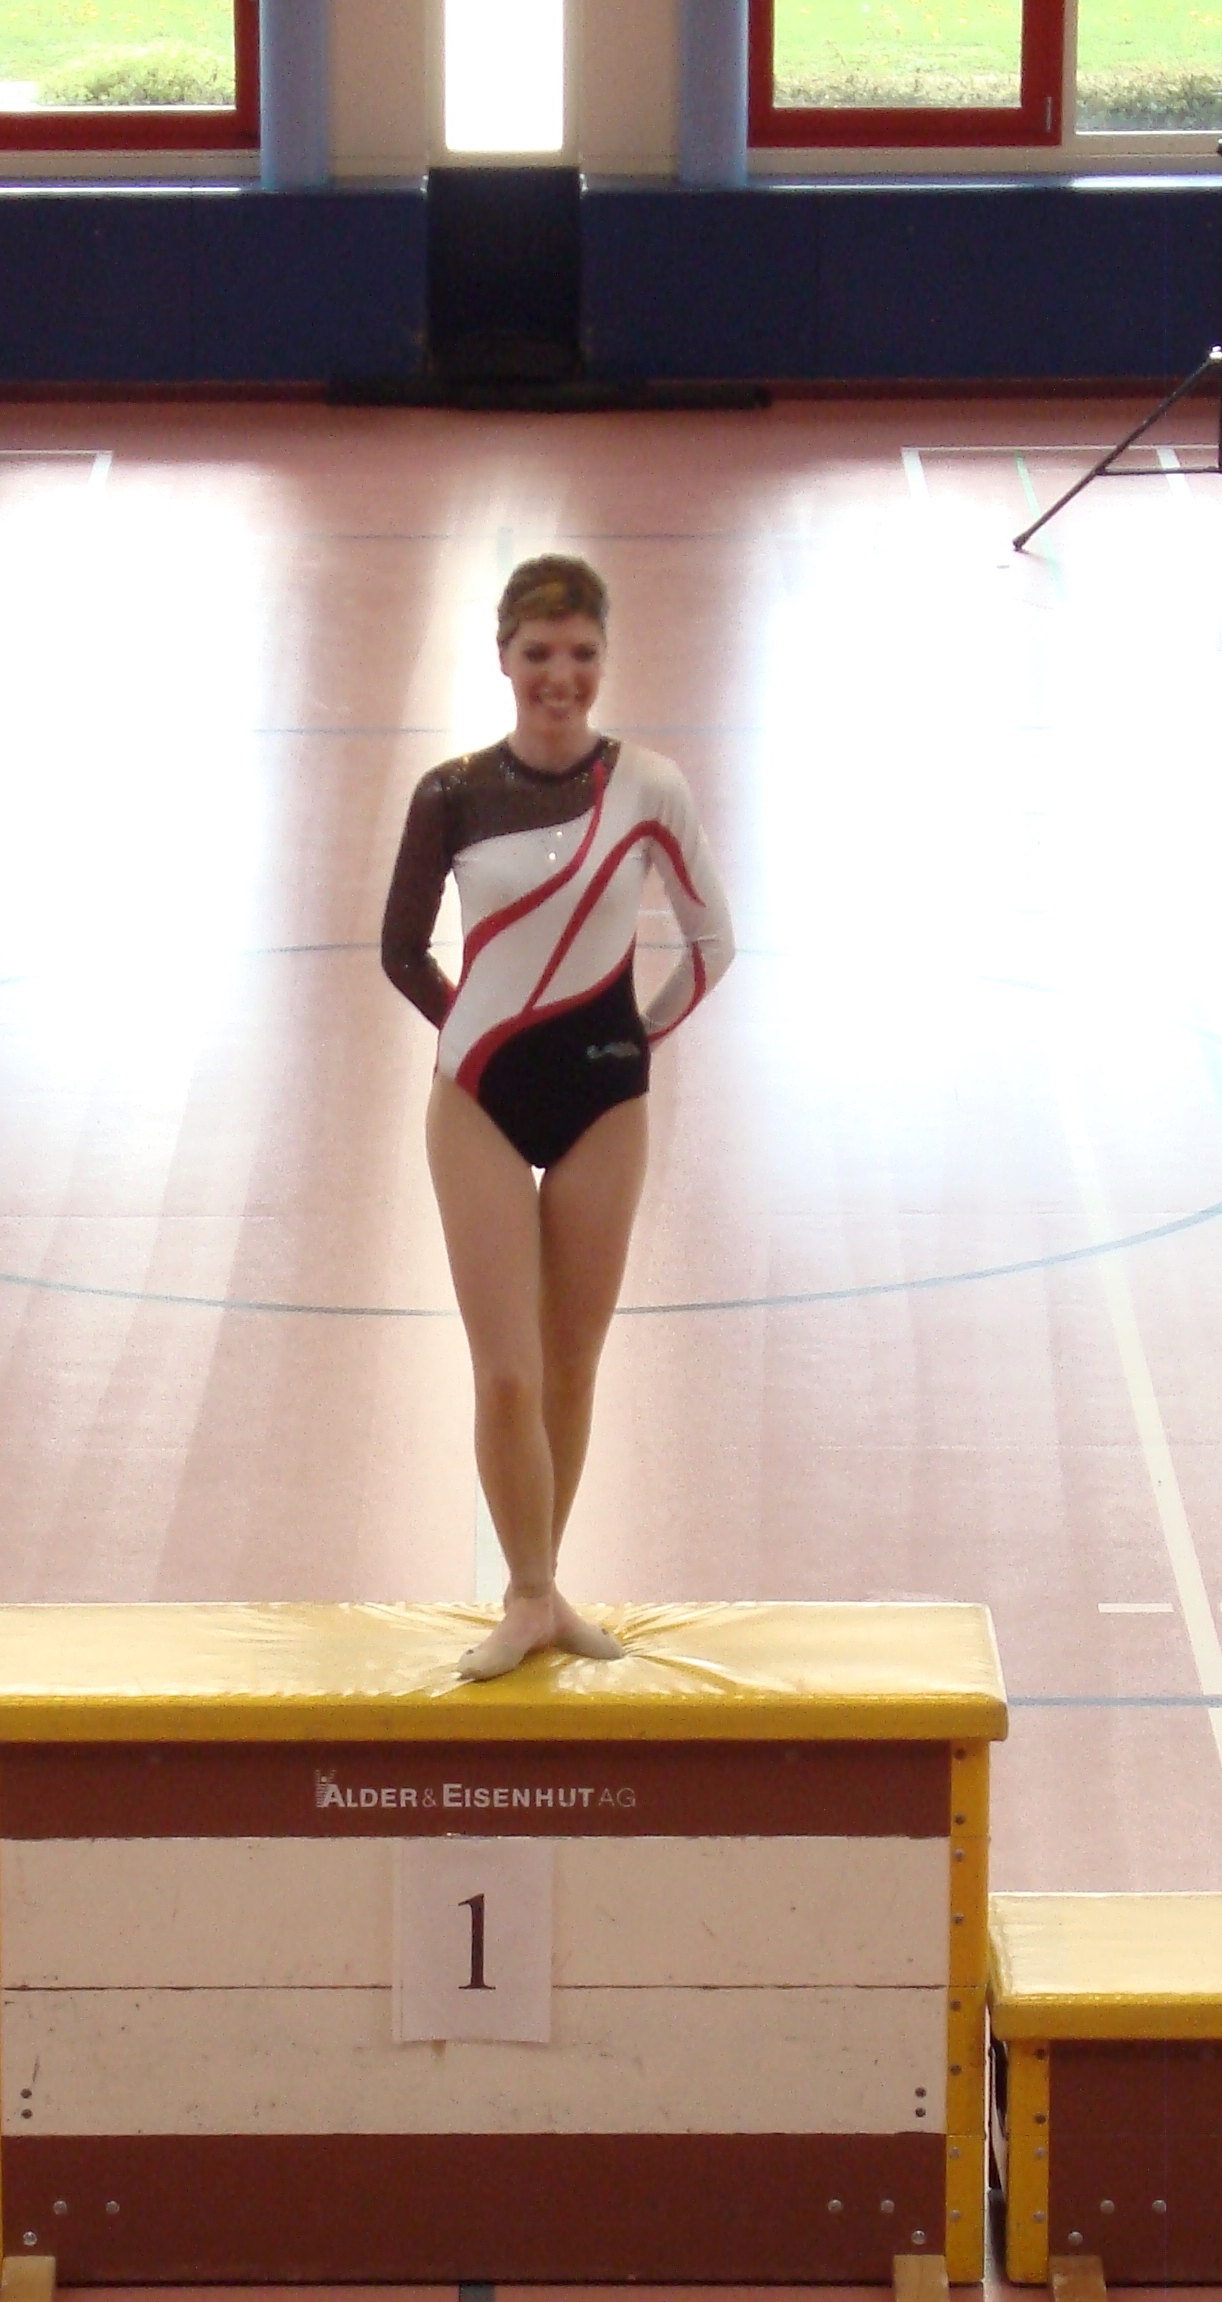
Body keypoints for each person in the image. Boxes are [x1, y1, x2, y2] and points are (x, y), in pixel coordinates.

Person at [380, 555, 735, 1681]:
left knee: (572, 1366)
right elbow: (400, 949)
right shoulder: (449, 794)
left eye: (581, 654)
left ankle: (541, 1585)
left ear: (603, 658)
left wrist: (635, 1038)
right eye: (538, 653)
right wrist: (472, 1037)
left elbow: (713, 942)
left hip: (602, 1106)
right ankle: (528, 1595)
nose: (560, 676)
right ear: (503, 657)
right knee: (507, 1374)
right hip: (477, 1104)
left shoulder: (650, 788)